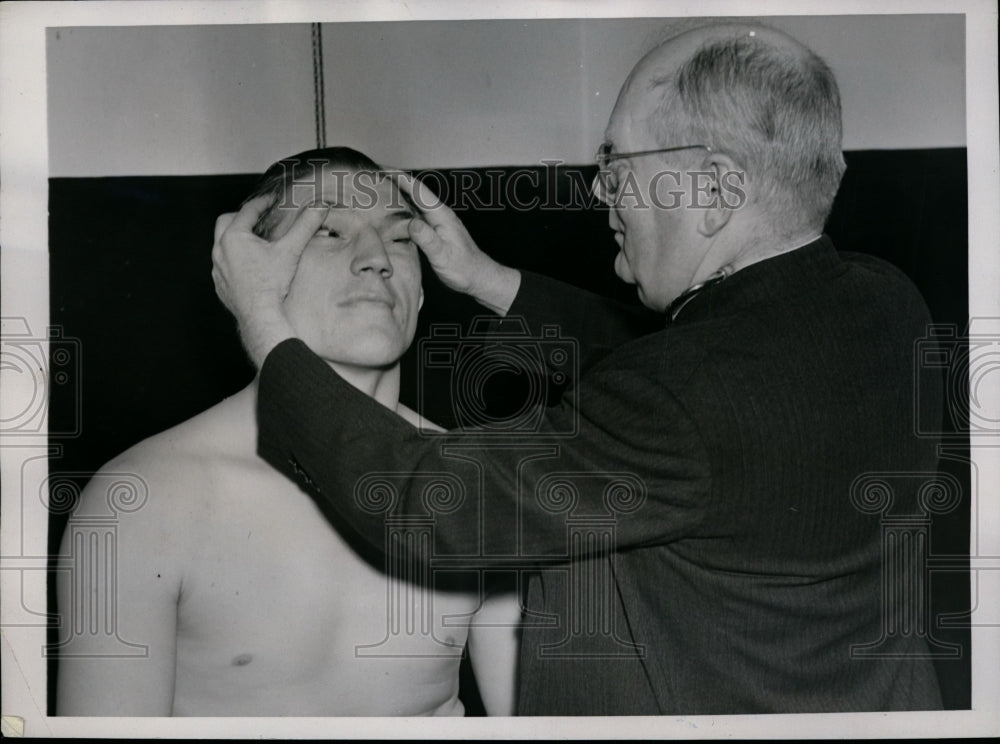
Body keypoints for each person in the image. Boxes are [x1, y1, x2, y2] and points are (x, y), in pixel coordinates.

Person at [212, 24, 945, 714]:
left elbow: (424, 505)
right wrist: (490, 279)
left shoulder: (681, 397)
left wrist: (266, 325)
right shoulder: (884, 301)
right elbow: (694, 370)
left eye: (617, 164)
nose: (600, 192)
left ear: (716, 193)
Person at [56, 147, 520, 716]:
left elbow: (534, 728)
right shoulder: (143, 500)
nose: (376, 258)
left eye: (400, 239)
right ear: (255, 276)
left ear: (421, 292)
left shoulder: (479, 485)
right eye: (328, 231)